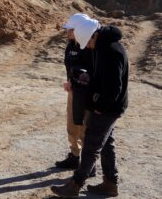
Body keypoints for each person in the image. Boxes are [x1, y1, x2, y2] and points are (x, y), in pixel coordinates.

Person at [51, 18, 129, 198]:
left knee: (91, 144)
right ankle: (111, 183)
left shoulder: (111, 51)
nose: (90, 47)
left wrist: (100, 107)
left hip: (109, 107)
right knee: (107, 144)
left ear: (94, 36)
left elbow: (113, 87)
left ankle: (75, 185)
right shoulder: (103, 46)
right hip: (108, 105)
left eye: (89, 43)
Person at [55, 13, 96, 178]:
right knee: (72, 123)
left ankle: (88, 164)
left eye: (70, 29)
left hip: (85, 93)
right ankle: (74, 156)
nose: (67, 32)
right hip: (73, 90)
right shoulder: (71, 45)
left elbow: (92, 72)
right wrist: (69, 81)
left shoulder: (89, 46)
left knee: (85, 126)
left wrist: (79, 82)